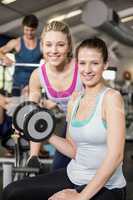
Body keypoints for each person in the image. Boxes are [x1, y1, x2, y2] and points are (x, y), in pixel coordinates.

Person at [2, 37, 126, 200]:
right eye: (82, 63)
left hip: (107, 185)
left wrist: (80, 197)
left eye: (94, 63)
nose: (87, 70)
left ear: (105, 64)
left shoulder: (111, 98)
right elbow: (73, 150)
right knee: (11, 192)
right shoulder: (74, 100)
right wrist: (44, 134)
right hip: (73, 175)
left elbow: (116, 156)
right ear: (76, 64)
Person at [26, 20, 83, 170]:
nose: (54, 50)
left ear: (69, 46)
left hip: (89, 124)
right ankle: (34, 157)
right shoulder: (37, 75)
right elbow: (32, 110)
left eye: (60, 45)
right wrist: (34, 155)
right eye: (49, 44)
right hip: (69, 124)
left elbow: (104, 97)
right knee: (58, 168)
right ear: (42, 46)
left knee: (85, 168)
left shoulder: (82, 68)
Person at [0, 14, 43, 157]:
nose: (28, 33)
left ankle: (35, 146)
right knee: (14, 114)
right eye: (26, 30)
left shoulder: (41, 44)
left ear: (35, 29)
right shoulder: (16, 43)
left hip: (34, 85)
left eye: (31, 30)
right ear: (23, 28)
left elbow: (50, 58)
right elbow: (0, 50)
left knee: (33, 113)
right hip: (17, 86)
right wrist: (4, 57)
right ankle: (13, 146)